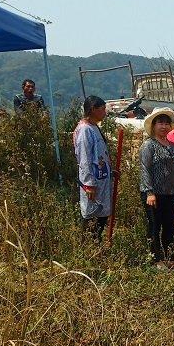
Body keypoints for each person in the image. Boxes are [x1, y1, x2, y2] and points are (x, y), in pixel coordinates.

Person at [139, 107, 174, 266]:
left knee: (170, 226)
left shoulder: (173, 146)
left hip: (170, 193)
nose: (163, 126)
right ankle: (155, 260)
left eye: (166, 123)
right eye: (160, 123)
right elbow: (145, 168)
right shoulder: (148, 145)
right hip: (153, 194)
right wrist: (149, 192)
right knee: (154, 226)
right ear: (154, 125)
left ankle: (170, 258)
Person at [73, 95, 113, 241]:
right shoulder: (84, 130)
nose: (104, 112)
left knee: (101, 218)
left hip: (102, 179)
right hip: (92, 182)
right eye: (102, 109)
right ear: (92, 110)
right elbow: (84, 158)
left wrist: (110, 170)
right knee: (92, 218)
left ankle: (96, 246)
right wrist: (88, 183)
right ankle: (88, 249)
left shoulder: (94, 127)